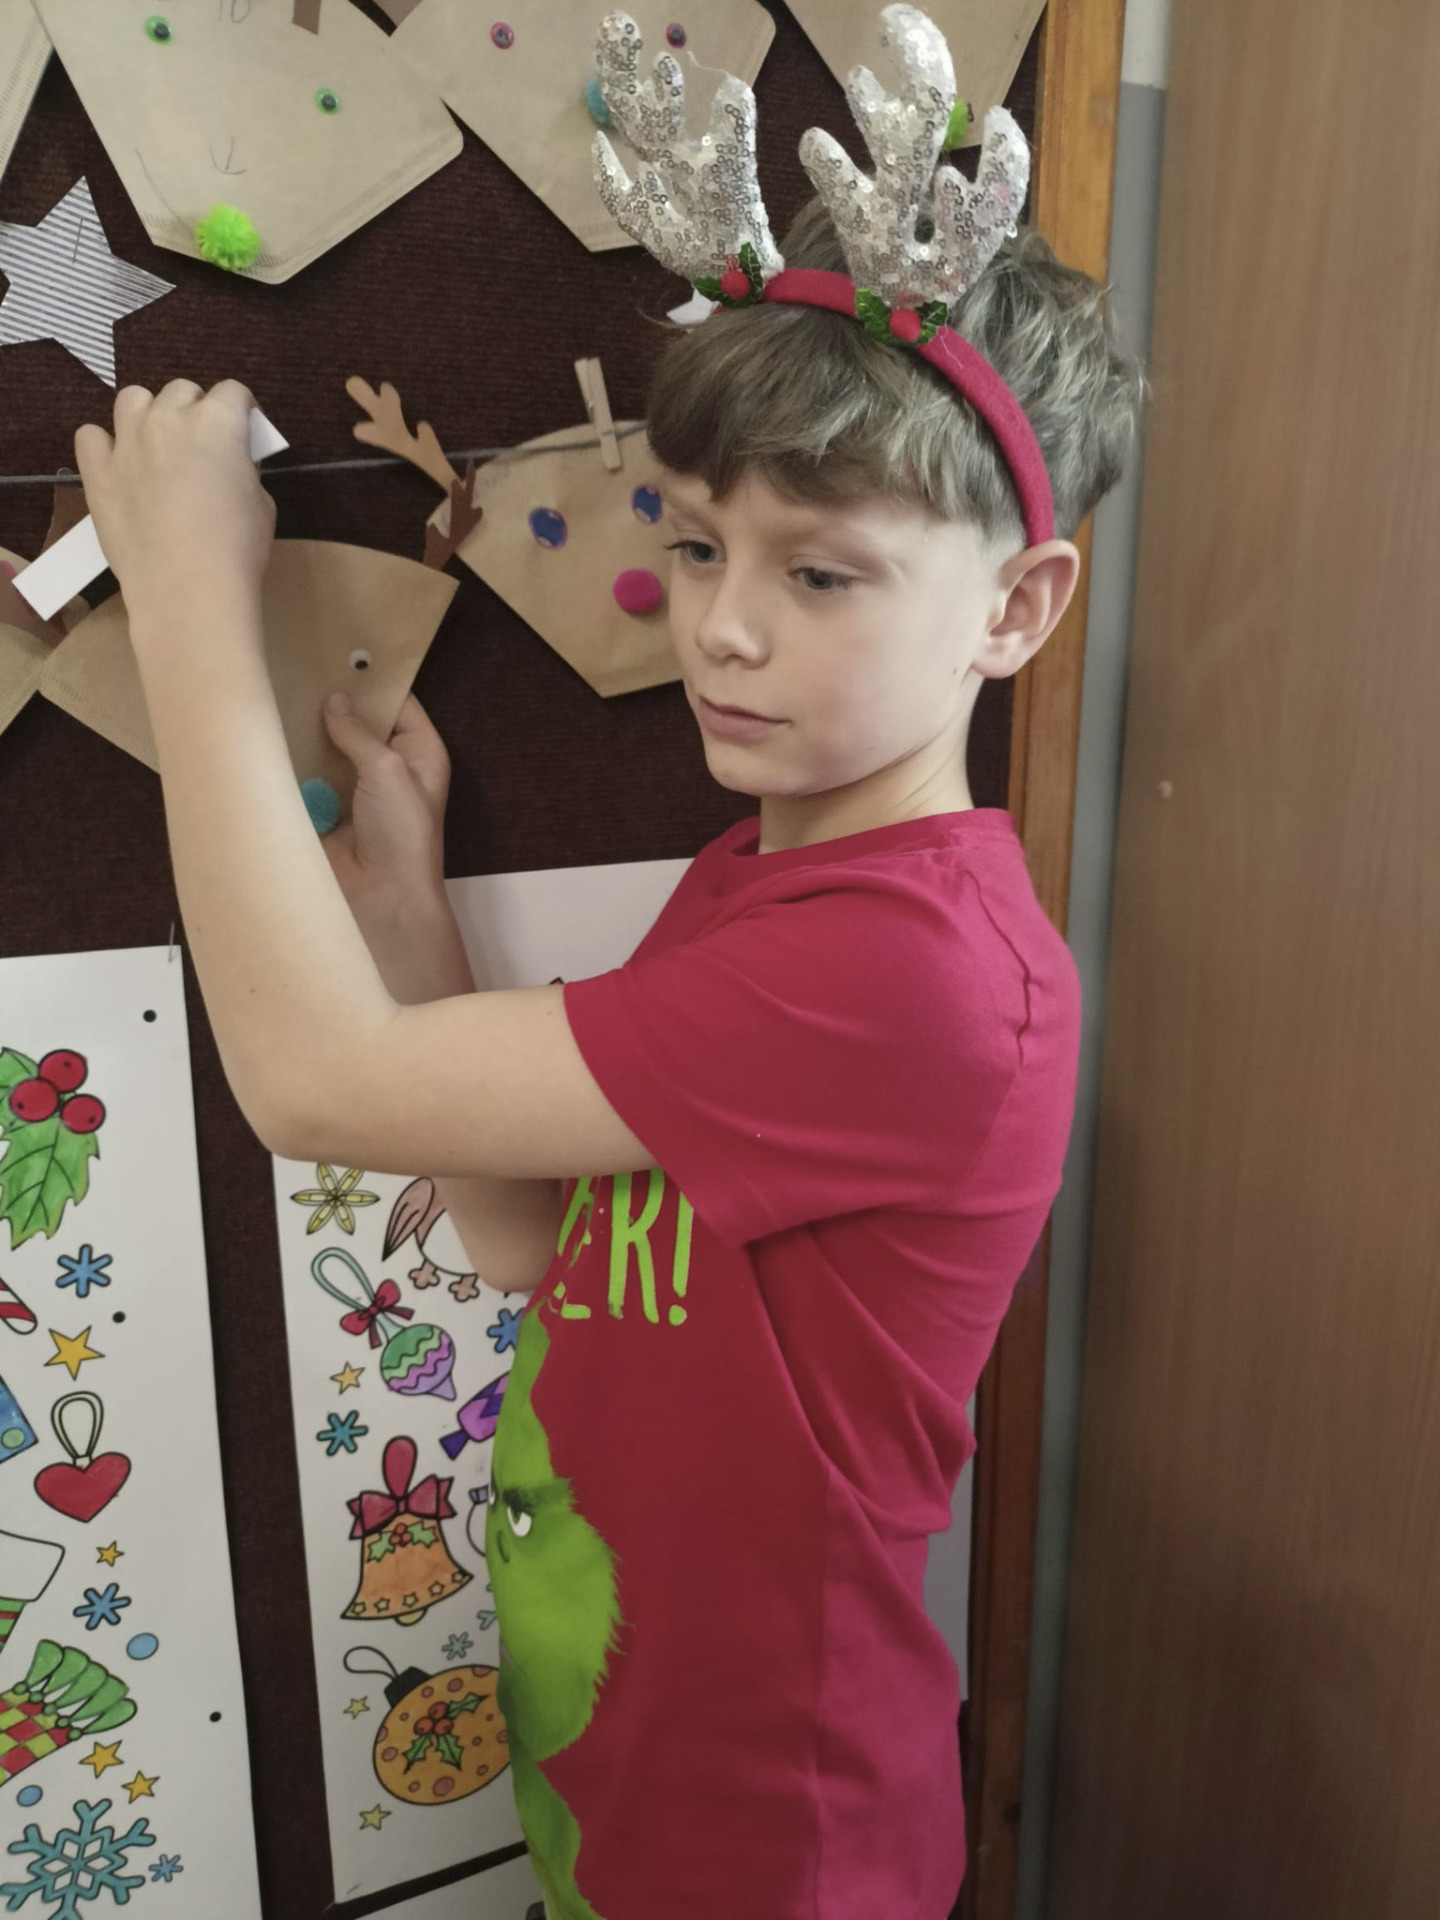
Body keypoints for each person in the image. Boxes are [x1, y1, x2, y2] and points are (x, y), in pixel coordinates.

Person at [72, 9, 1143, 1914]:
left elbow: (307, 1086)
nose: (723, 628)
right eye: (700, 542)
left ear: (1015, 607)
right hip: (625, 1777)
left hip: (773, 1835)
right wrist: (407, 907)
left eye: (819, 573)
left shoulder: (918, 971)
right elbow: (529, 1239)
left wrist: (185, 611)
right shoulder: (757, 884)